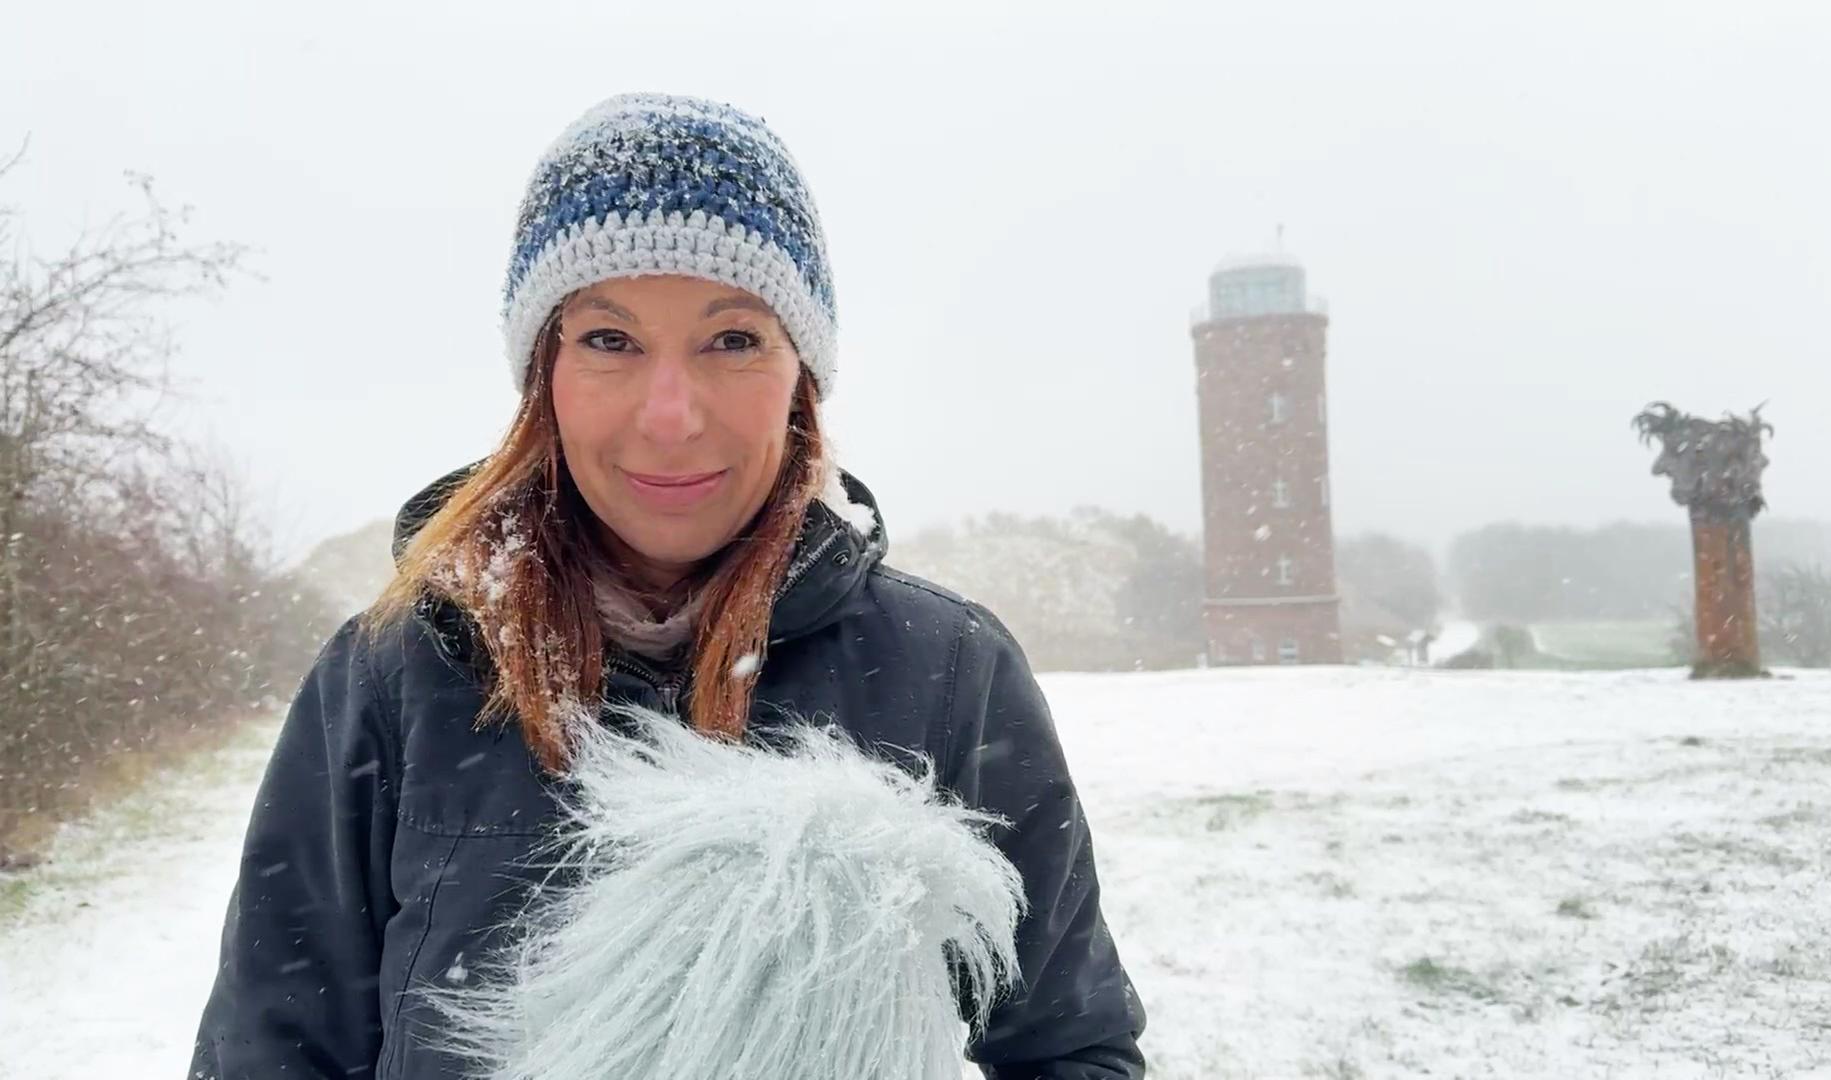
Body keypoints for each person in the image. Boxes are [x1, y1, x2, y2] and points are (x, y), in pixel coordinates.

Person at [189, 92, 1146, 1079]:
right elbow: (271, 1052)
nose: (671, 416)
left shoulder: (948, 671)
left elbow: (1073, 1049)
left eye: (732, 340)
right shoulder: (395, 671)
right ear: (543, 377)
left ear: (800, 376)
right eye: (609, 340)